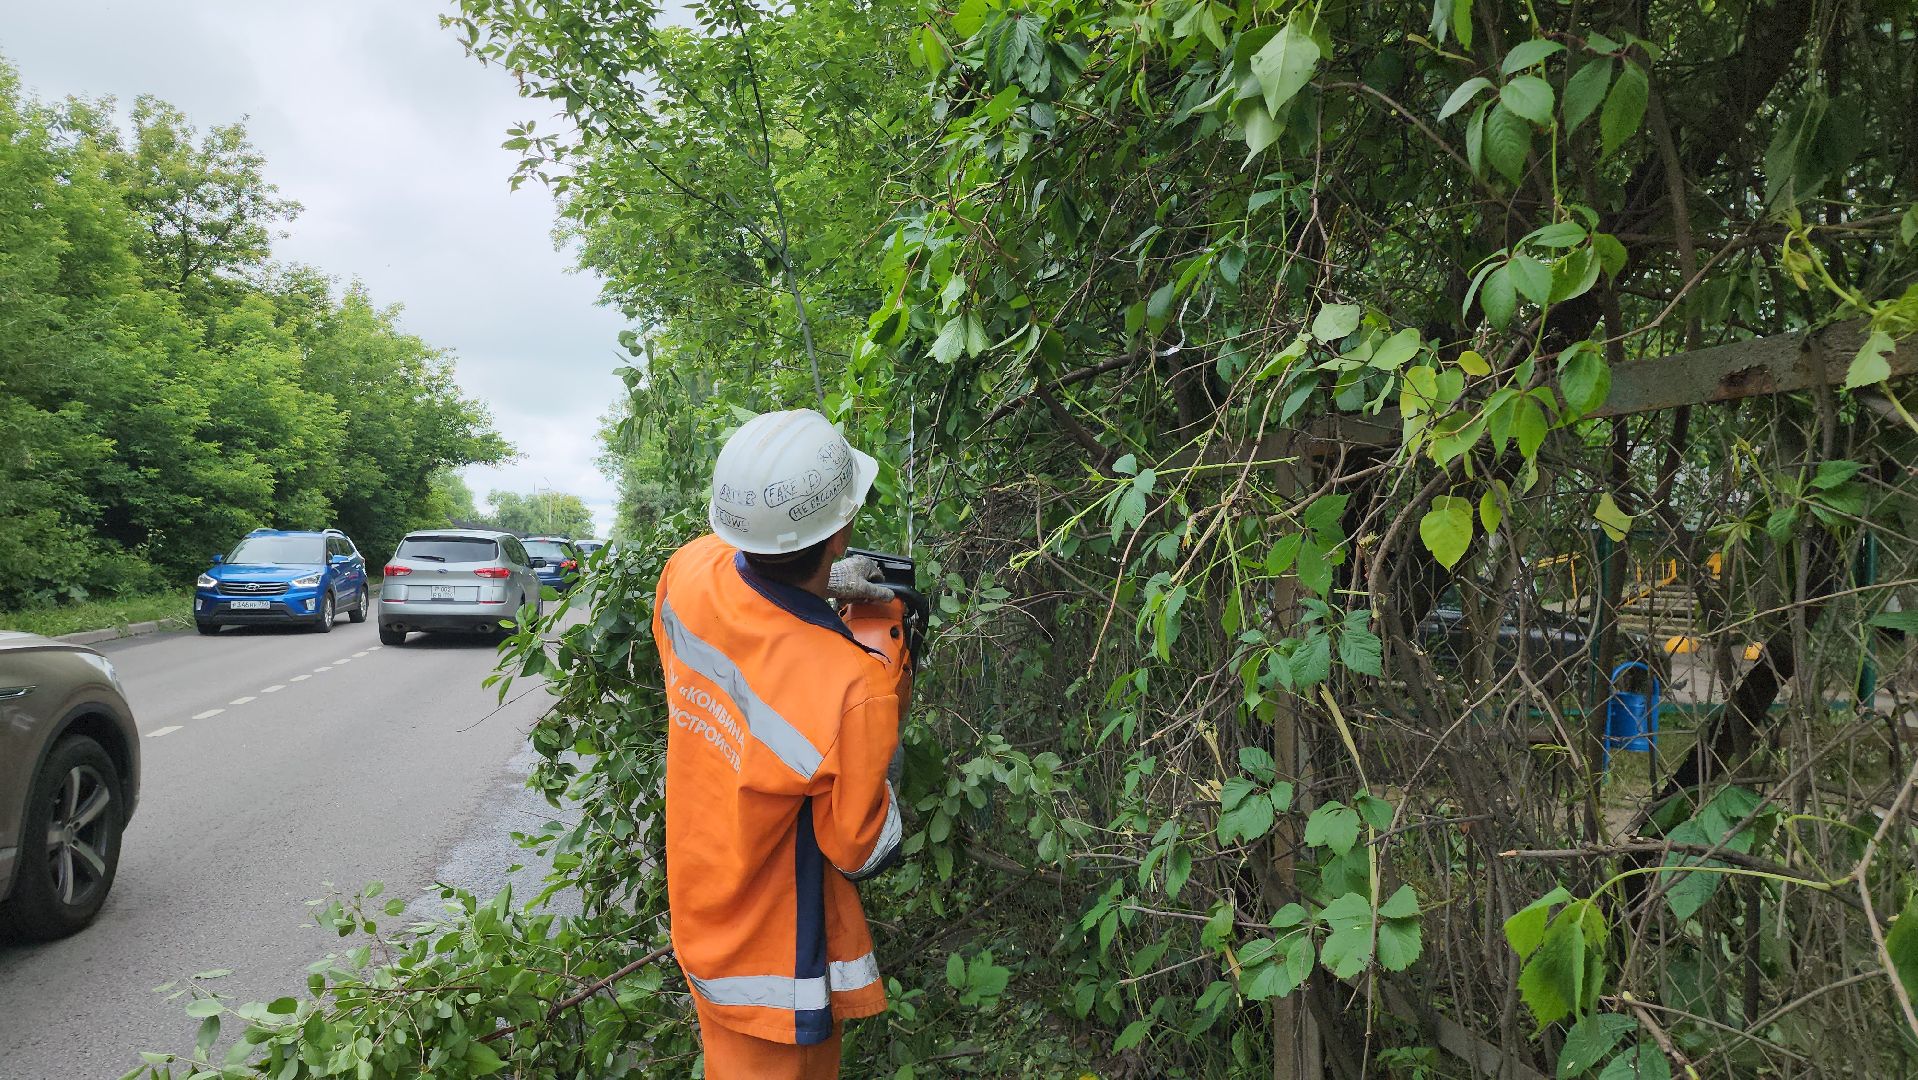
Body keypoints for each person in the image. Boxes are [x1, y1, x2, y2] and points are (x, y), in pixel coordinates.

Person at [654, 408, 907, 1079]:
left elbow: (748, 614)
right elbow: (863, 847)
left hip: (703, 898)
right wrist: (886, 676)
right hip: (770, 958)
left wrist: (826, 600)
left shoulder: (688, 573)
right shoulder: (850, 683)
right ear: (842, 530)